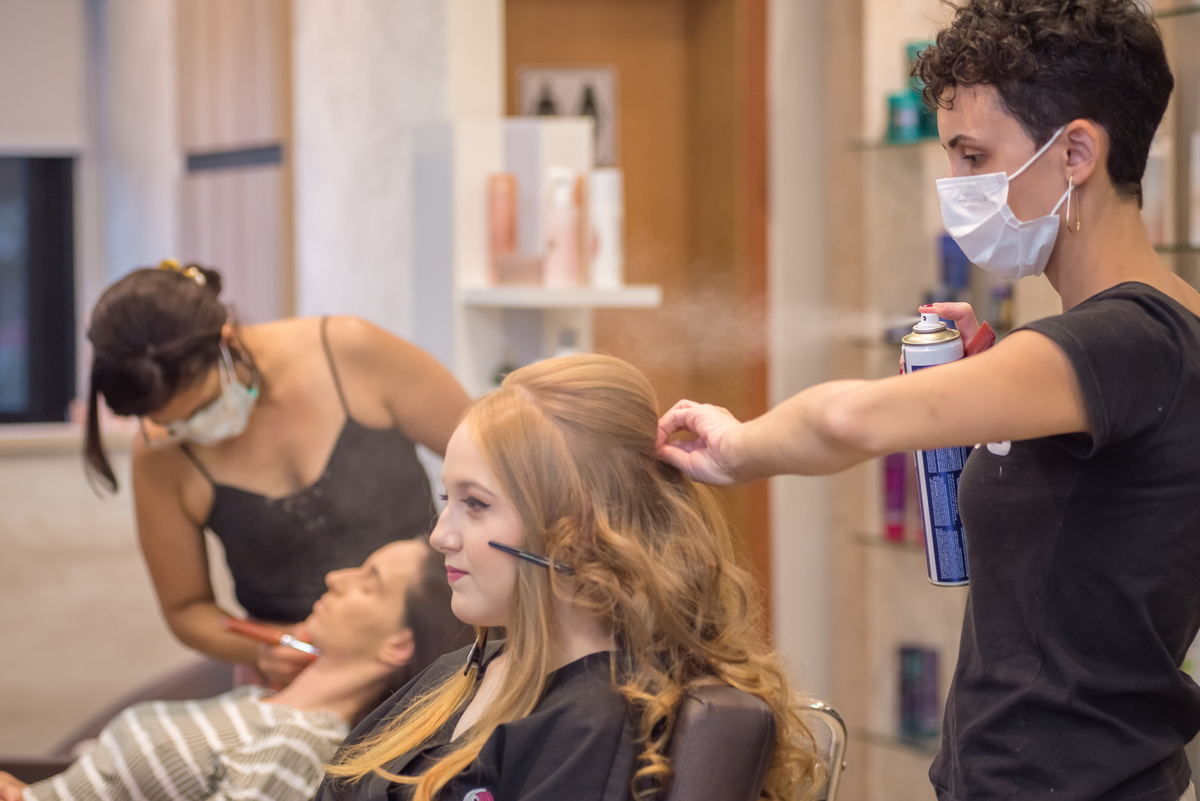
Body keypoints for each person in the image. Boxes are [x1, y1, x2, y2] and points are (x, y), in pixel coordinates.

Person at [657, 2, 1200, 799]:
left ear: (1077, 152)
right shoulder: (1148, 333)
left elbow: (849, 419)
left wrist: (738, 447)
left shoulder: (1126, 339)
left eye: (975, 157)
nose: (957, 188)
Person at [314, 354, 824, 801]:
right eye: (449, 499)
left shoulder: (594, 725)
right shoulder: (461, 672)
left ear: (577, 529)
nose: (440, 536)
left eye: (476, 504)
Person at [84, 261, 471, 687]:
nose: (198, 430)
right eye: (177, 425)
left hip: (444, 638)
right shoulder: (161, 454)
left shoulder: (351, 353)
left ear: (227, 341)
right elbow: (186, 609)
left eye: (204, 406)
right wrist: (265, 649)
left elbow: (492, 462)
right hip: (303, 673)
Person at [0, 540, 474, 801]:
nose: (336, 578)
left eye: (368, 584)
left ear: (398, 645)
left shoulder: (300, 742)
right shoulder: (261, 703)